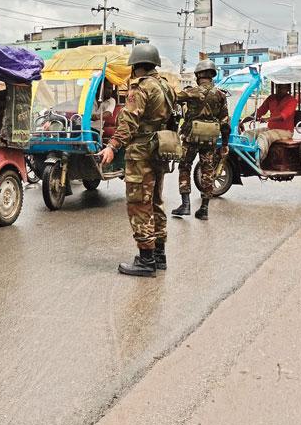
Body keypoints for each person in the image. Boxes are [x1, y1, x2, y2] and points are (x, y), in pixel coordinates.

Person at [97, 43, 175, 277]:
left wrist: (112, 146)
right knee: (156, 202)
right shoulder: (166, 87)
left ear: (136, 66)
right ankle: (159, 255)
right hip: (159, 148)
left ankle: (146, 260)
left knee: (139, 204)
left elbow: (128, 121)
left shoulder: (140, 88)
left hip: (141, 152)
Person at [172, 59, 230, 222]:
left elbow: (174, 98)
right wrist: (225, 144)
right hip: (210, 139)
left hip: (191, 137)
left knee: (185, 166)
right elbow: (225, 122)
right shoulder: (220, 95)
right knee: (207, 171)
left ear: (198, 75)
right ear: (212, 75)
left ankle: (185, 204)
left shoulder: (192, 92)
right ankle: (204, 209)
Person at [245, 83, 298, 162]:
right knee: (248, 133)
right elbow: (259, 112)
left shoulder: (292, 101)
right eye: (278, 87)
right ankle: (244, 154)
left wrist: (267, 119)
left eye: (283, 87)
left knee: (263, 136)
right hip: (271, 128)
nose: (280, 89)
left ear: (288, 89)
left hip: (285, 131)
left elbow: (282, 116)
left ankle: (258, 160)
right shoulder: (271, 98)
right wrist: (244, 120)